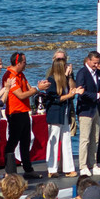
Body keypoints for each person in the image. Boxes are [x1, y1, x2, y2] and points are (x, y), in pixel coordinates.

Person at [37, 51, 80, 179]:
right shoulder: (51, 80)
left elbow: (72, 88)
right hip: (55, 114)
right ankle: (52, 168)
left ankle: (68, 168)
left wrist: (69, 76)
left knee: (66, 140)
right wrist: (69, 95)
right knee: (53, 141)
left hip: (65, 113)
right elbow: (54, 98)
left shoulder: (65, 79)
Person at [0, 52, 39, 176]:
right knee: (13, 141)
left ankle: (28, 169)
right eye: (24, 63)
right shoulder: (10, 76)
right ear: (19, 63)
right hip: (14, 112)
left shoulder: (21, 74)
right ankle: (10, 171)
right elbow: (21, 95)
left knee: (26, 141)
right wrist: (37, 89)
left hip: (24, 111)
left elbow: (28, 88)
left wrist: (35, 88)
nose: (26, 65)